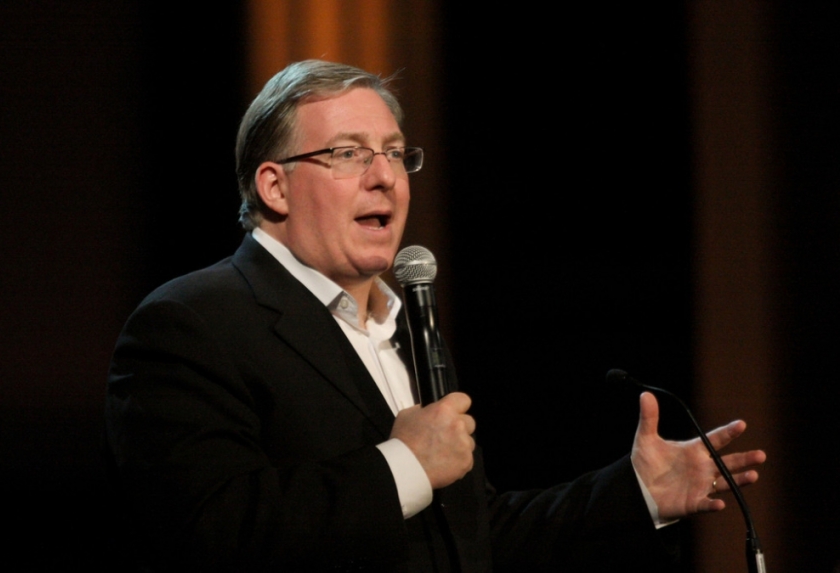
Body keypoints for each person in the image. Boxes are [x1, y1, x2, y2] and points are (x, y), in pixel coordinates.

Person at [105, 60, 766, 572]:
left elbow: (469, 537)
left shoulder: (407, 329)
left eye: (395, 152)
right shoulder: (191, 322)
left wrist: (635, 492)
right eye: (349, 153)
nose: (385, 176)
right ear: (274, 185)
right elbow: (208, 535)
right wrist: (402, 465)